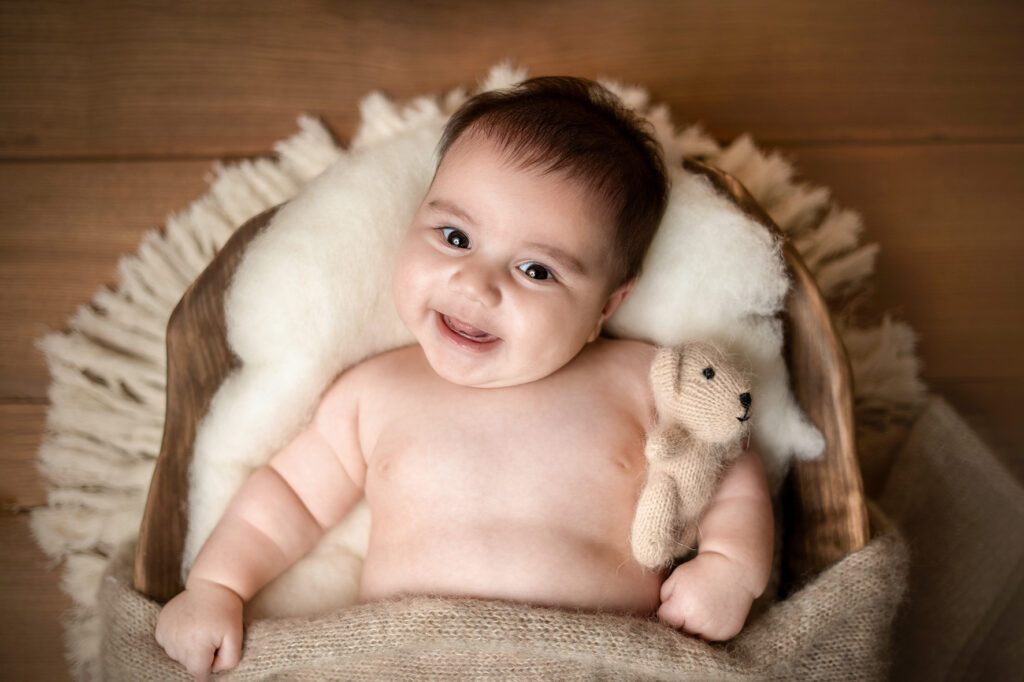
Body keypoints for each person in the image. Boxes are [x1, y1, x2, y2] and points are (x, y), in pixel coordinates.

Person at [155, 76, 774, 680]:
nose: (477, 285)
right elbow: (286, 500)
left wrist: (728, 566)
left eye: (536, 270)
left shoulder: (639, 377)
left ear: (605, 308)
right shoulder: (373, 393)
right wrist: (216, 586)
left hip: (594, 658)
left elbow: (723, 460)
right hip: (407, 658)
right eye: (455, 237)